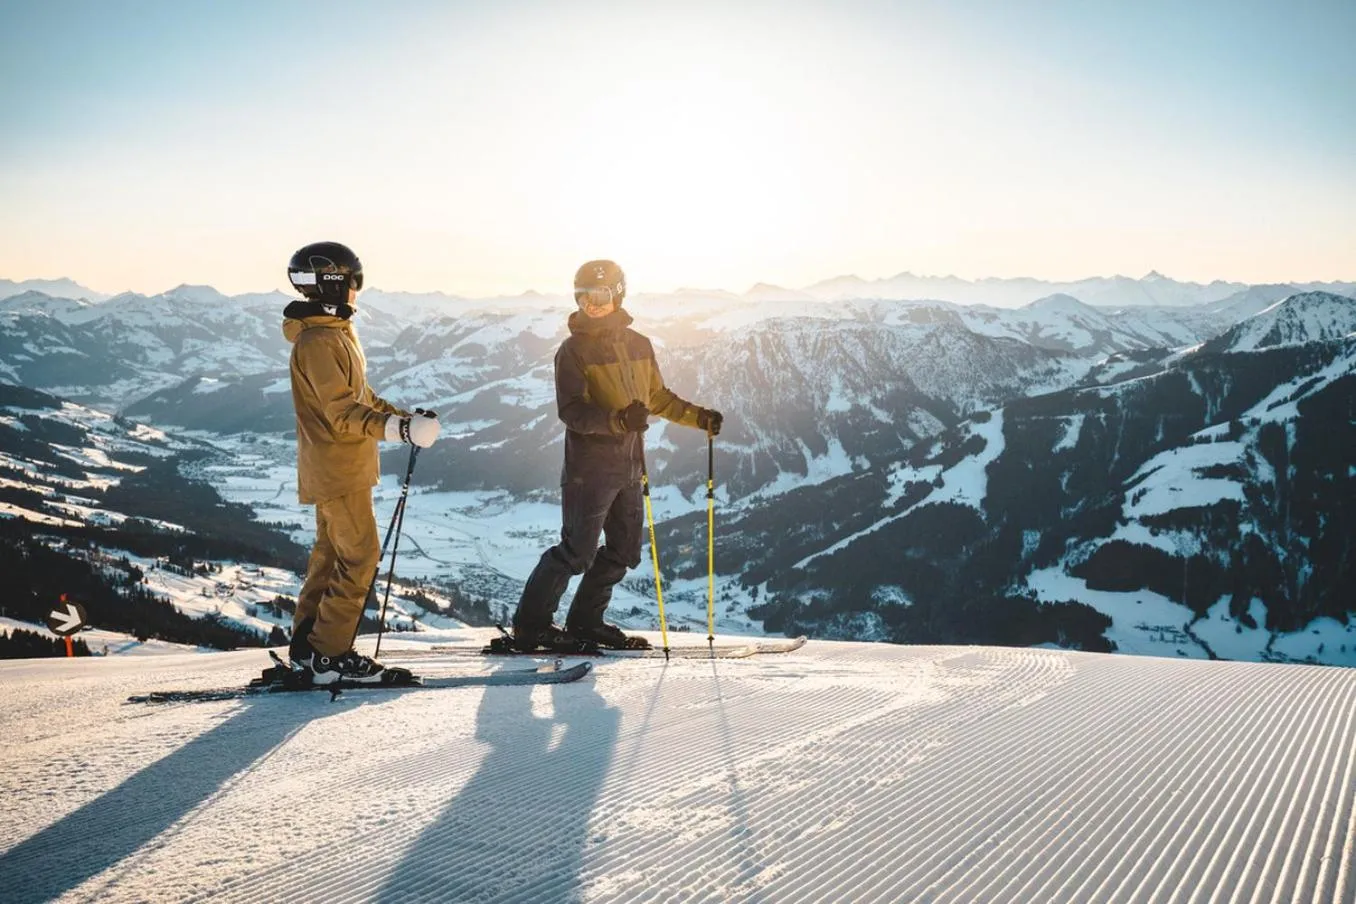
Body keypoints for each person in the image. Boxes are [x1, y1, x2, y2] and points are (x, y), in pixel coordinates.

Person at [511, 260, 724, 652]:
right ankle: (531, 627)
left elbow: (657, 397)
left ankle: (586, 622)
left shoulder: (638, 345)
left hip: (629, 466)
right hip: (589, 469)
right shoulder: (572, 351)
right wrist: (618, 419)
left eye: (599, 296)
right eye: (582, 297)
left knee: (624, 551)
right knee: (577, 551)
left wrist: (699, 418)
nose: (590, 305)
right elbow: (572, 411)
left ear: (618, 294)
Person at [282, 241, 441, 684]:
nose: (357, 290)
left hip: (341, 467)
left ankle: (309, 648)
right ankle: (330, 655)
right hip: (337, 468)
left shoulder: (333, 334)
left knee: (332, 555)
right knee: (360, 557)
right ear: (335, 282)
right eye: (354, 281)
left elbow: (363, 399)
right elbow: (341, 412)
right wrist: (397, 431)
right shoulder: (319, 342)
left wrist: (403, 420)